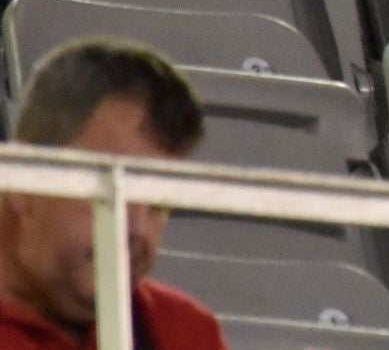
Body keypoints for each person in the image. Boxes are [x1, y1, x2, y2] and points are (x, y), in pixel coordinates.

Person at [0, 39, 224, 349]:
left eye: (159, 204)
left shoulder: (181, 332)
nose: (136, 229)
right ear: (24, 178)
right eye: (110, 191)